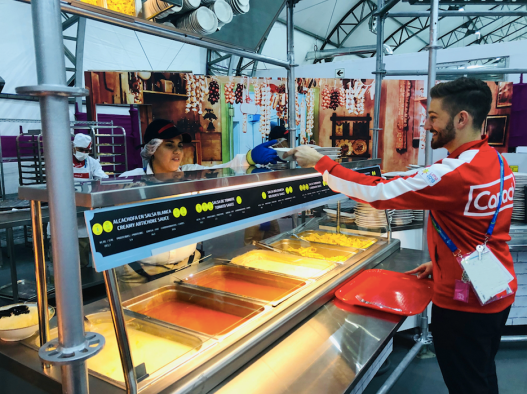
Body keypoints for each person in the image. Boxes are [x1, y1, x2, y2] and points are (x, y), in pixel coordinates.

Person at [285, 78, 517, 394]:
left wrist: (322, 165)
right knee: (482, 371)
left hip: (465, 305)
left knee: (467, 384)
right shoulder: (497, 162)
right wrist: (441, 264)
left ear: (461, 119)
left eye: (434, 117)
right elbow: (477, 227)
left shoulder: (454, 173)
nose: (427, 125)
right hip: (495, 286)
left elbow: (379, 193)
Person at [117, 119, 283, 288]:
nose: (177, 151)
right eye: (169, 145)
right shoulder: (130, 180)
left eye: (180, 145)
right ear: (151, 149)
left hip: (189, 265)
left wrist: (249, 158)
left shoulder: (191, 175)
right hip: (138, 272)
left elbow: (225, 171)